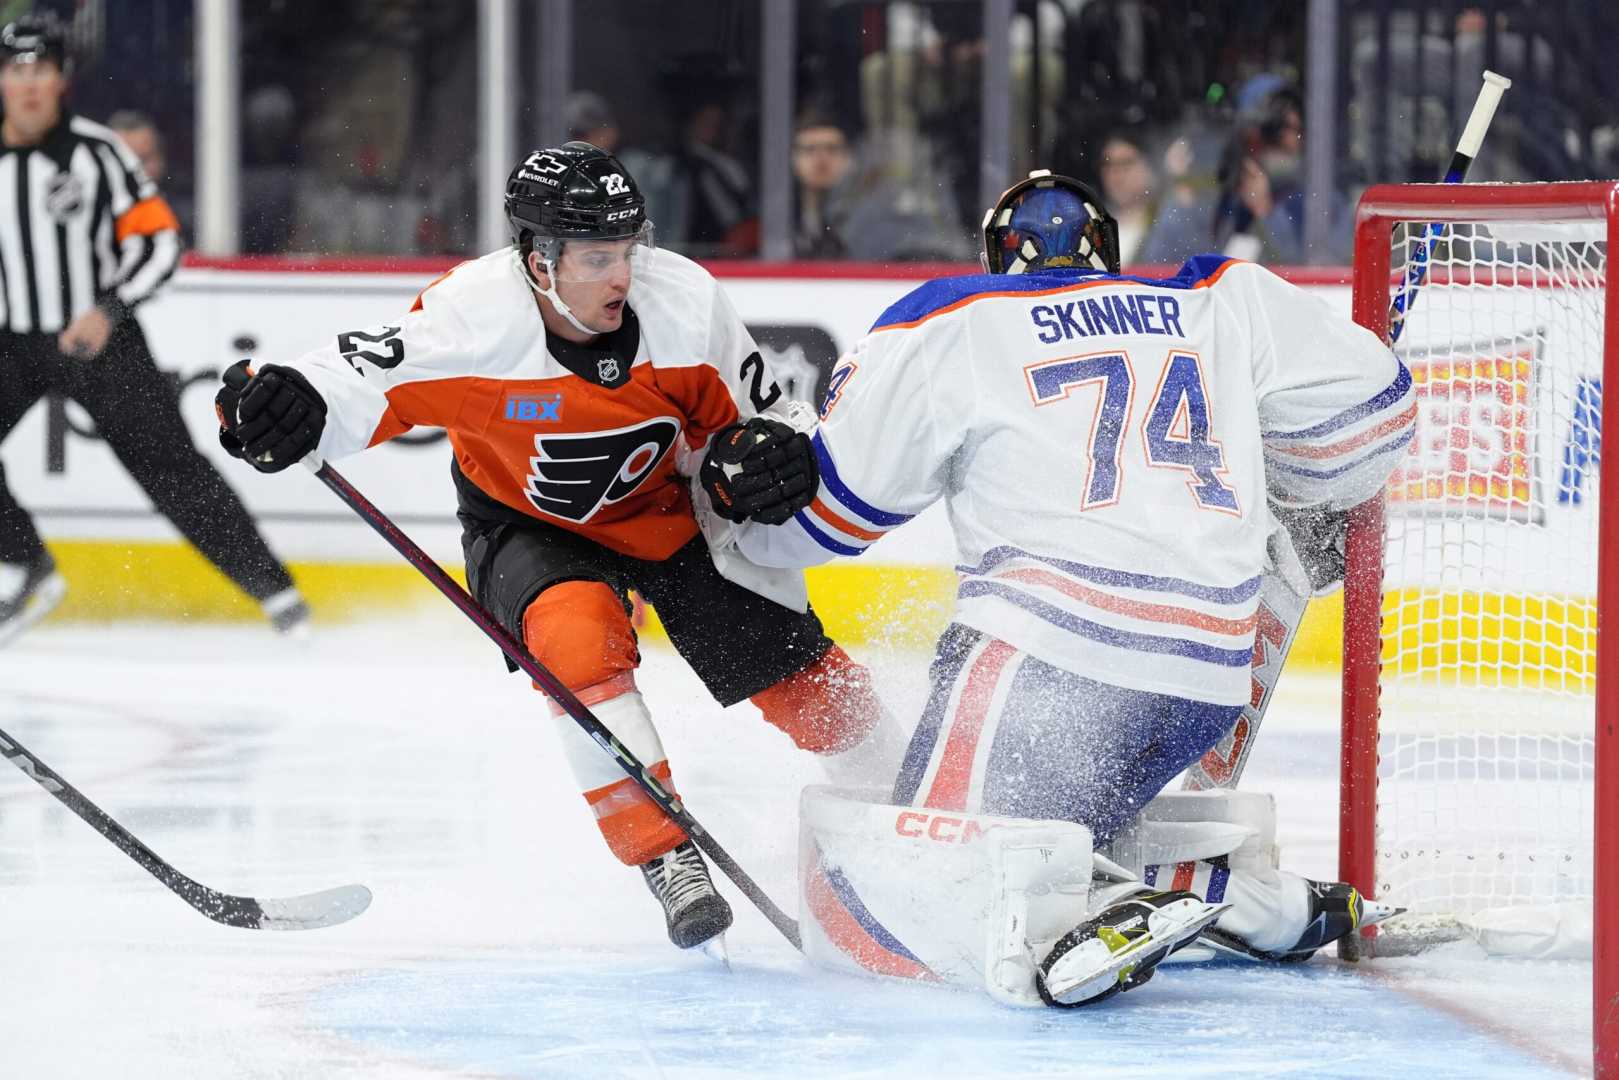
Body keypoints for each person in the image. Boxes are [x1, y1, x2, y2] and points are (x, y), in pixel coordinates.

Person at [703, 171, 1413, 1005]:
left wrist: (736, 506)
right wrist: (1288, 478)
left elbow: (837, 519)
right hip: (1202, 680)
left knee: (894, 886)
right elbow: (1376, 423)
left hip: (1042, 662)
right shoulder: (1226, 297)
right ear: (1106, 253)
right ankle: (1260, 905)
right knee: (1046, 831)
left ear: (997, 257)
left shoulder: (952, 318)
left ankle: (1113, 901)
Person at [213, 141, 904, 951]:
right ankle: (666, 854)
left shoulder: (683, 302)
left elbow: (763, 419)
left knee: (797, 675)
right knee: (574, 642)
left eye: (628, 248)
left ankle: (917, 792)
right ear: (539, 261)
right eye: (598, 256)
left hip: (671, 514)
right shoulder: (473, 319)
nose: (622, 273)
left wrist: (760, 461)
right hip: (525, 524)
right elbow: (354, 379)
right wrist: (277, 403)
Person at [0, 13, 308, 645]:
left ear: (63, 80)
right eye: (16, 70)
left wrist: (107, 308)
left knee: (171, 471)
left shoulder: (97, 153)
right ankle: (25, 565)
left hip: (101, 342)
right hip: (11, 342)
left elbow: (160, 241)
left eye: (43, 70)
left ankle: (280, 598)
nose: (29, 85)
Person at [790, 113, 854, 259]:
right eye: (810, 149)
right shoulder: (774, 225)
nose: (821, 160)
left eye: (831, 149)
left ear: (848, 159)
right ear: (794, 159)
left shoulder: (868, 220)